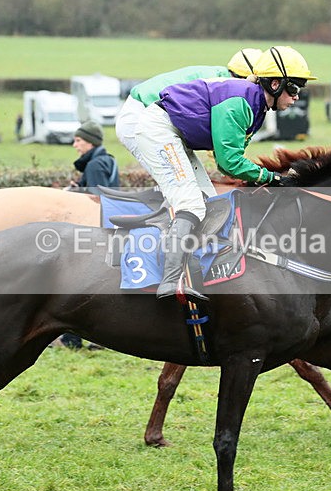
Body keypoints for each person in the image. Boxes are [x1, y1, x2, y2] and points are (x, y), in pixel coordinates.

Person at [133, 45, 315, 301]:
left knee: (210, 202)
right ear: (275, 84)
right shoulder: (241, 102)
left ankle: (195, 268)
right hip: (159, 131)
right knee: (192, 205)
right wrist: (270, 177)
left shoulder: (256, 105)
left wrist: (264, 177)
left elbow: (228, 159)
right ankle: (170, 281)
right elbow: (229, 162)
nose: (296, 97)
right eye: (294, 88)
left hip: (175, 134)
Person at [116, 48, 263, 161]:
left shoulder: (220, 76)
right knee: (176, 181)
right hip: (141, 117)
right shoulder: (228, 89)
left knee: (186, 182)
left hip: (145, 114)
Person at [61, 120, 119, 349]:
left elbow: (96, 201)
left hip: (94, 230)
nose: (75, 144)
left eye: (78, 140)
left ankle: (74, 338)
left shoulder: (95, 165)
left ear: (91, 142)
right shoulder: (108, 161)